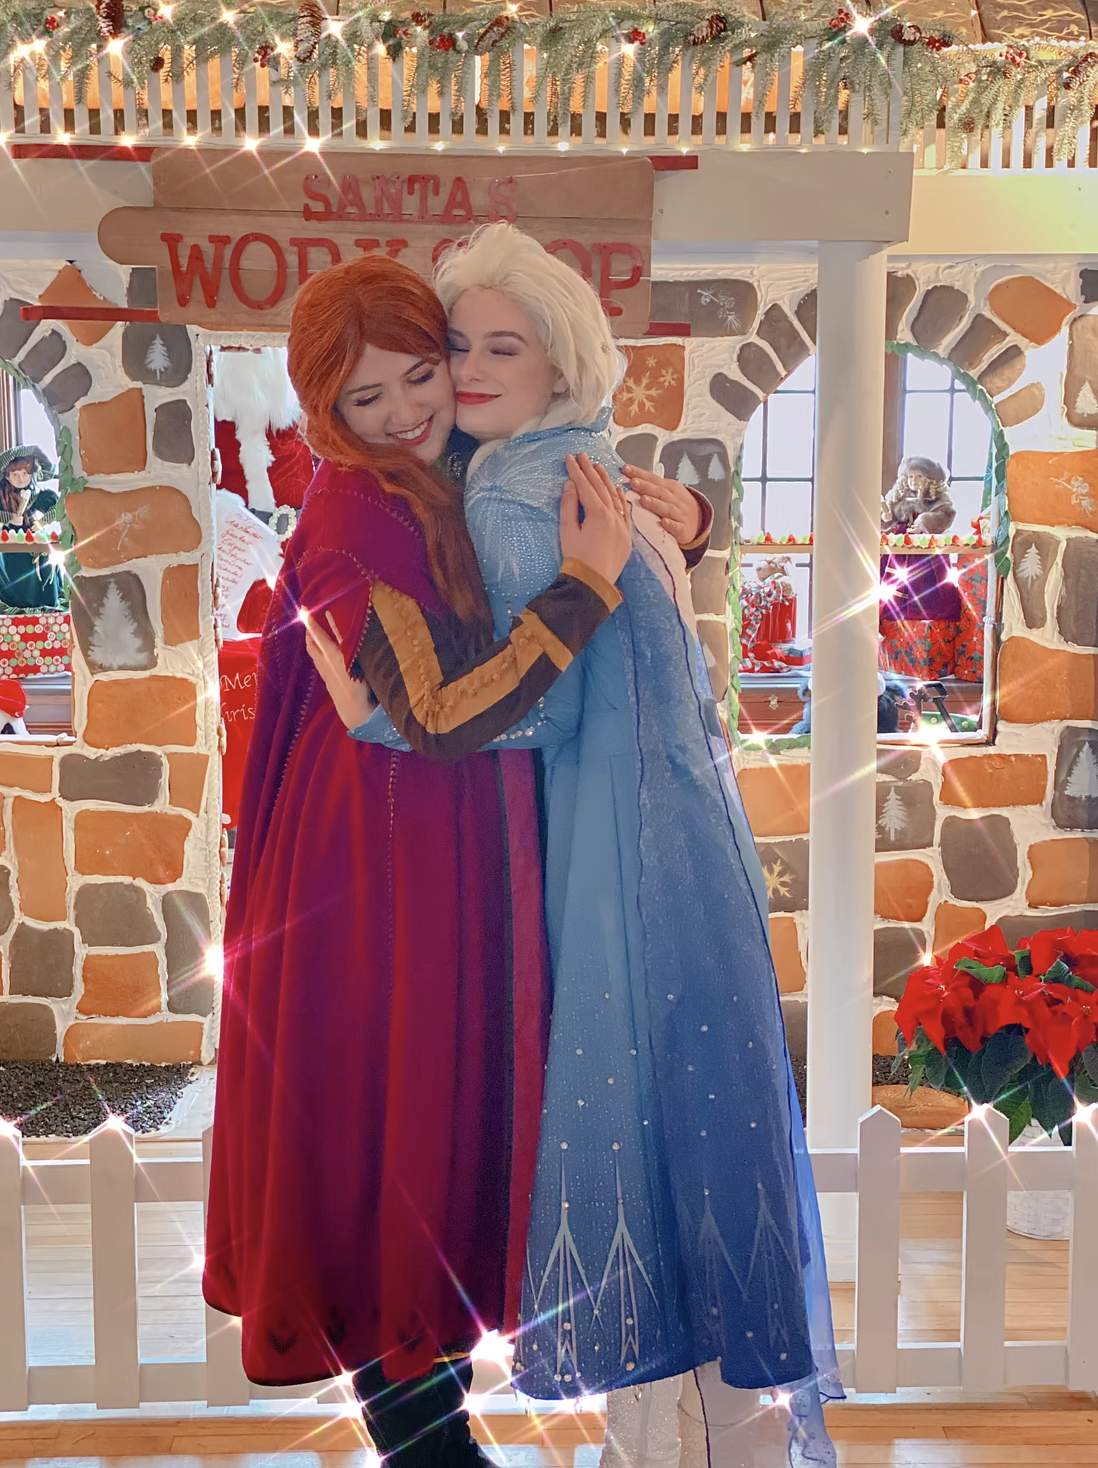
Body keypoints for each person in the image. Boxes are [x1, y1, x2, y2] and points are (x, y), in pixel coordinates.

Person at [327, 224, 841, 1467]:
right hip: (685, 832)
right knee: (700, 1123)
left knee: (644, 1129)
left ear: (560, 360)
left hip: (622, 841)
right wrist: (685, 528)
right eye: (459, 345)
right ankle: (713, 1436)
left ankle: (671, 1439)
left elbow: (547, 704)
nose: (471, 369)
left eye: (503, 346)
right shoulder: (563, 469)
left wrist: (385, 717)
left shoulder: (526, 485)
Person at [202, 252, 634, 1468]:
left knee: (436, 1118)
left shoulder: (453, 473)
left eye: (418, 373)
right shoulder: (356, 510)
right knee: (393, 1114)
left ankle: (430, 1421)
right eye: (364, 396)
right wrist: (583, 591)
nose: (403, 410)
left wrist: (680, 527)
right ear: (325, 409)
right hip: (376, 867)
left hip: (429, 842)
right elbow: (437, 714)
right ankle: (420, 1437)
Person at [0, 445, 63, 610]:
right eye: (15, 474)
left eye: (25, 473)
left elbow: (58, 507)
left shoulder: (39, 495)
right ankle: (16, 606)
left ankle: (44, 603)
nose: (21, 479)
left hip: (34, 537)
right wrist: (9, 518)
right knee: (15, 576)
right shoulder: (3, 497)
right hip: (9, 541)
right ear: (7, 476)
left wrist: (42, 522)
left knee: (43, 569)